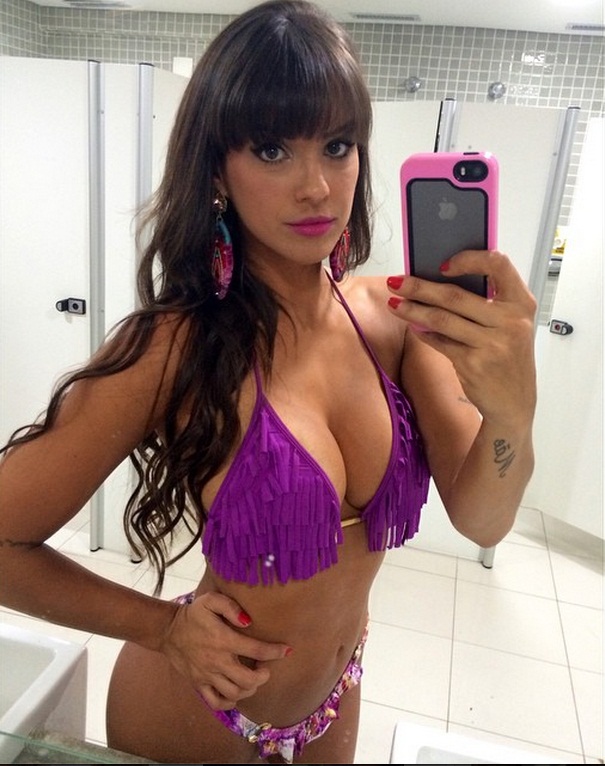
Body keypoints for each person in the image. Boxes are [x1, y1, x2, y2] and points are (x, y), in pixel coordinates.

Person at [0, 1, 537, 763]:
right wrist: (162, 627)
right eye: (271, 149)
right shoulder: (173, 347)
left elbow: (482, 520)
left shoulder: (393, 323)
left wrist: (511, 410)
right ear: (217, 169)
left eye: (337, 146)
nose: (316, 187)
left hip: (333, 698)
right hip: (194, 708)